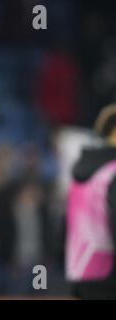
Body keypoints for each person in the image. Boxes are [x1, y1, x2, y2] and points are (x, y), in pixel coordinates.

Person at [66, 103, 116, 299]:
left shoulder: (81, 172)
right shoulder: (112, 171)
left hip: (82, 271)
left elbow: (67, 222)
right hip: (110, 275)